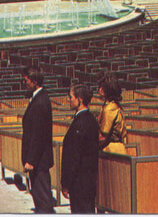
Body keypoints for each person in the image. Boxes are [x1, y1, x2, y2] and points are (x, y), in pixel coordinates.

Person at [21, 67, 56, 213]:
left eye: (26, 81)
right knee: (39, 195)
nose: (24, 84)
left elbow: (38, 135)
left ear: (34, 81)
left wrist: (31, 161)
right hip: (38, 160)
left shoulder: (40, 102)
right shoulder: (38, 98)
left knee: (43, 199)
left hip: (39, 161)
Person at [61, 85, 100, 214]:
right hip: (87, 180)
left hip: (80, 182)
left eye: (71, 97)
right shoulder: (90, 119)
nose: (68, 99)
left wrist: (66, 183)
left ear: (80, 100)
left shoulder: (81, 123)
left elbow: (74, 156)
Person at [97, 73, 128, 154]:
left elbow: (103, 135)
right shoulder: (113, 105)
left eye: (102, 87)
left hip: (111, 150)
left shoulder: (110, 109)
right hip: (117, 148)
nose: (99, 89)